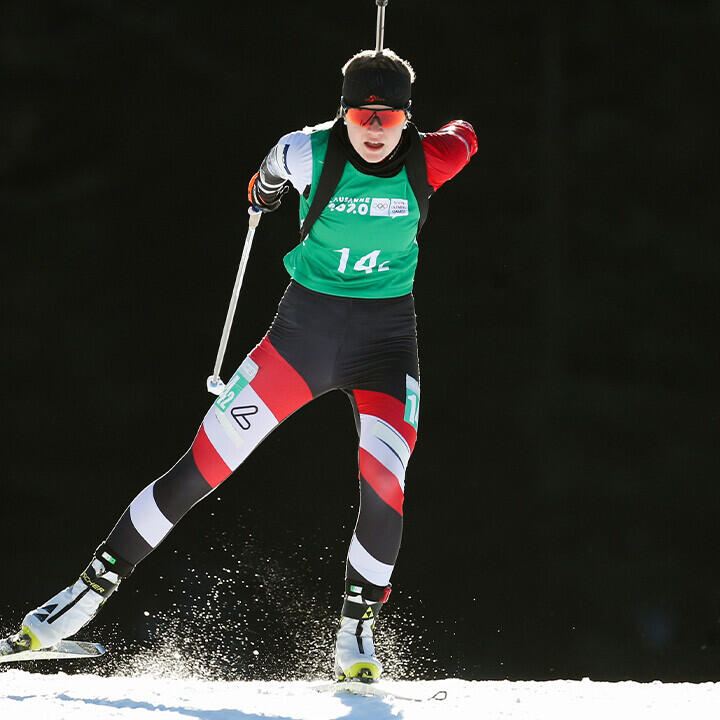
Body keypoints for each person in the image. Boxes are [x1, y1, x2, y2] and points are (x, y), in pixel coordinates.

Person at [1, 48, 477, 681]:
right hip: (302, 339)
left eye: (386, 120)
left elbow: (466, 135)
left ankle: (355, 634)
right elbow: (268, 175)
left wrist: (448, 131)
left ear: (405, 122)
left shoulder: (430, 158)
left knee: (386, 479)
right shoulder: (310, 151)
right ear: (342, 113)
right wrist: (267, 192)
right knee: (201, 467)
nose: (371, 129)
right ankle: (74, 604)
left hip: (385, 348)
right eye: (361, 115)